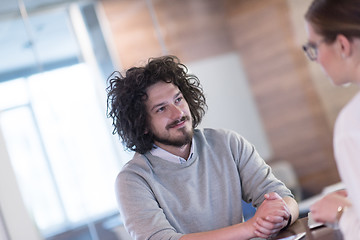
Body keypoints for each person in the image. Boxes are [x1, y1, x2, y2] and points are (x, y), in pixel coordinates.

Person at [107, 55, 299, 240]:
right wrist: (251, 228)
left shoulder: (228, 143)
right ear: (142, 124)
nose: (178, 113)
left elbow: (283, 197)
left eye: (178, 99)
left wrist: (280, 214)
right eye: (161, 108)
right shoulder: (133, 180)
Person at [303, 0, 360, 239]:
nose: (316, 58)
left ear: (343, 45)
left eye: (314, 46)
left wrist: (341, 214)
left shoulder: (352, 124)